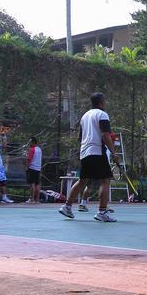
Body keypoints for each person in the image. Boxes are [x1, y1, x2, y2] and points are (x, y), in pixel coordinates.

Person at [60, 93, 117, 222]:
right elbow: (105, 135)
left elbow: (80, 138)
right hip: (96, 151)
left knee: (82, 181)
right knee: (105, 180)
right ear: (102, 102)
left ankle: (67, 207)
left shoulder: (84, 116)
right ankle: (102, 212)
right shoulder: (102, 115)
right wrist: (113, 153)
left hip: (84, 152)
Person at [24, 136, 42, 204]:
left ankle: (31, 199)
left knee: (32, 184)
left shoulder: (32, 149)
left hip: (32, 168)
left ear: (33, 142)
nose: (29, 143)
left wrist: (27, 167)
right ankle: (37, 200)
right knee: (37, 184)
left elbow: (29, 159)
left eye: (30, 142)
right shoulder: (39, 149)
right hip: (38, 169)